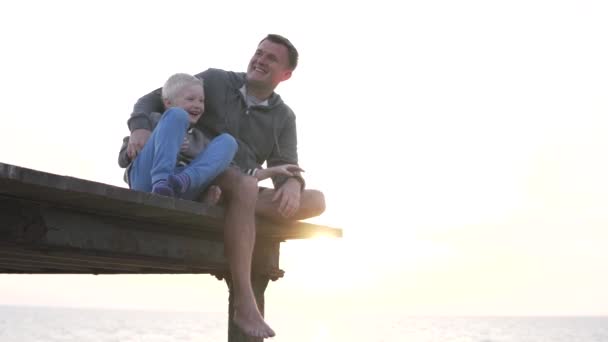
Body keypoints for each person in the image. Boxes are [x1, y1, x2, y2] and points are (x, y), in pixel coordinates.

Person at [125, 34, 326, 338]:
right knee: (244, 185)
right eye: (259, 52)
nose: (260, 60)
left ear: (285, 74)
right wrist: (140, 127)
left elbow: (287, 164)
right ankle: (245, 304)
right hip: (201, 169)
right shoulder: (217, 81)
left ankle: (224, 202)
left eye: (271, 58)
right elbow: (153, 99)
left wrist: (294, 185)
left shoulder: (283, 116)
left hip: (235, 177)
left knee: (316, 201)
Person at [118, 73, 237, 202]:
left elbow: (219, 161)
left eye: (201, 101)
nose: (197, 105)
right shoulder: (152, 123)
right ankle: (161, 181)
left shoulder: (198, 139)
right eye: (190, 99)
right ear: (168, 102)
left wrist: (253, 173)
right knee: (177, 115)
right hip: (146, 181)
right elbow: (122, 160)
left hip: (180, 188)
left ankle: (183, 181)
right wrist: (165, 142)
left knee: (229, 141)